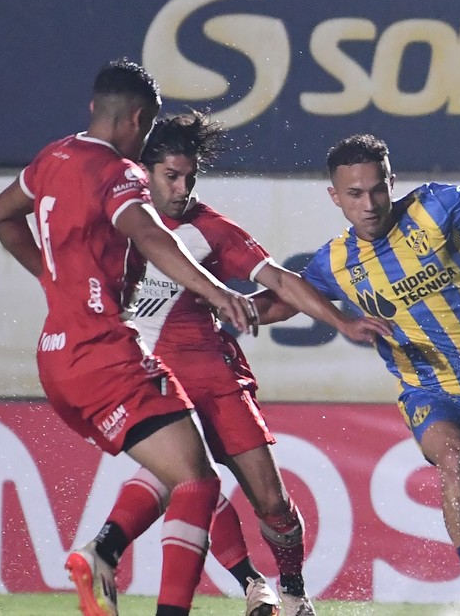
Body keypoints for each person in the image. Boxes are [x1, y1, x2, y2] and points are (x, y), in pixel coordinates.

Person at [80, 112, 391, 616]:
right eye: (171, 176)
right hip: (149, 376)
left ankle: (291, 592)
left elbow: (281, 282)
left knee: (272, 503)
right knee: (186, 478)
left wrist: (342, 322)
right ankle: (113, 553)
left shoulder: (210, 229)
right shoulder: (115, 218)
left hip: (213, 375)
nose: (182, 189)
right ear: (144, 170)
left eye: (190, 178)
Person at [0, 58, 259, 616]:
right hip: (105, 352)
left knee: (178, 469)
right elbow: (150, 235)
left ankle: (104, 552)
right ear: (138, 119)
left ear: (95, 107)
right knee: (198, 483)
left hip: (58, 362)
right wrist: (215, 290)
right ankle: (122, 569)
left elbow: (1, 215)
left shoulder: (52, 158)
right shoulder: (119, 172)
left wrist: (51, 278)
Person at [254, 134, 460, 616]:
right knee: (453, 460)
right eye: (354, 194)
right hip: (429, 390)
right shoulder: (335, 262)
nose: (369, 204)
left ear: (392, 182)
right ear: (335, 196)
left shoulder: (433, 208)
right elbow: (277, 303)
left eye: (377, 189)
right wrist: (214, 302)